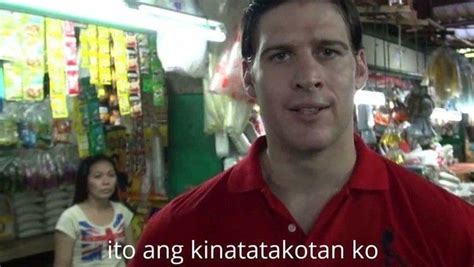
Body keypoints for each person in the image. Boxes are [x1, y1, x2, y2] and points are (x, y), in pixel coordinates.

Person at [131, 0, 474, 266]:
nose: (308, 76)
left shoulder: (449, 230)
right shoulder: (173, 239)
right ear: (249, 77)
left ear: (359, 69)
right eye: (281, 56)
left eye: (328, 52)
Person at [54, 154, 134, 267]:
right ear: (85, 181)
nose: (106, 182)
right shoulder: (71, 218)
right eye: (98, 176)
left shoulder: (122, 212)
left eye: (111, 175)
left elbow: (132, 258)